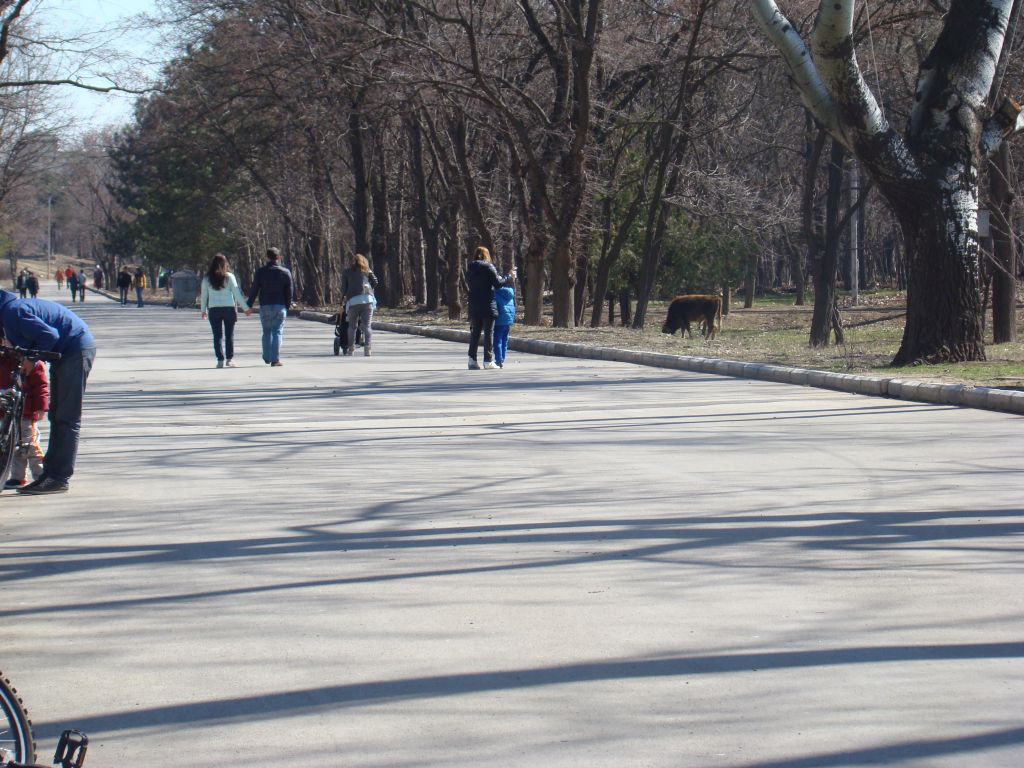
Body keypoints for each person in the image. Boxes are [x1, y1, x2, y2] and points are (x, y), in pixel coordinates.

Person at [0, 289, 96, 495]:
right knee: (57, 415)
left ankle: (58, 478)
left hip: (75, 350)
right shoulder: (9, 312)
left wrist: (31, 359)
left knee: (66, 417)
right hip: (66, 354)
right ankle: (49, 475)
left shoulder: (11, 311)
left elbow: (49, 335)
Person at [0, 346, 48, 489]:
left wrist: (41, 407)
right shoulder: (4, 359)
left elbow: (41, 386)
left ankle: (40, 474)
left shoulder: (31, 362)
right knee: (11, 446)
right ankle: (17, 477)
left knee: (29, 445)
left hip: (26, 412)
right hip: (6, 413)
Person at [465, 246, 515, 370]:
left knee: (475, 333)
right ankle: (488, 361)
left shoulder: (470, 269)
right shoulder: (489, 267)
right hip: (487, 304)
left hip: (473, 304)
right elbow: (498, 284)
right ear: (486, 255)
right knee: (489, 333)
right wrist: (509, 276)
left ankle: (472, 360)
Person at [245, 247, 292, 366]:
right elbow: (289, 291)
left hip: (265, 305)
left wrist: (249, 304)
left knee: (266, 332)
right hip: (279, 305)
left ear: (267, 257)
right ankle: (275, 359)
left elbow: (254, 289)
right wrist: (287, 305)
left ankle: (266, 357)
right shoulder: (285, 272)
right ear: (278, 257)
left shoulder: (260, 272)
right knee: (277, 332)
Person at [200, 253, 248, 368]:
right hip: (228, 309)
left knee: (217, 336)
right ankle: (229, 359)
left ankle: (220, 360)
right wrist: (246, 308)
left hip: (214, 309)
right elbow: (237, 294)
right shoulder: (229, 277)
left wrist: (203, 310)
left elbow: (204, 296)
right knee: (229, 335)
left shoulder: (207, 279)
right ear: (224, 264)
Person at [340, 253, 378, 356]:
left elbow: (344, 288)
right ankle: (367, 349)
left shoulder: (347, 272)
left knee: (352, 326)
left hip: (353, 301)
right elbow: (375, 281)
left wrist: (342, 298)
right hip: (368, 300)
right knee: (367, 326)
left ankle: (351, 349)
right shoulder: (367, 271)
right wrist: (370, 289)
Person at [493, 282, 516, 369]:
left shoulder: (496, 294)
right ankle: (502, 358)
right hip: (508, 320)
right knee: (504, 340)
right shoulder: (509, 293)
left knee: (497, 340)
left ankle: (498, 360)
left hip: (499, 321)